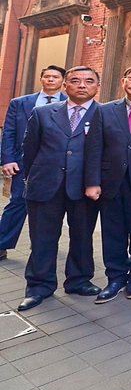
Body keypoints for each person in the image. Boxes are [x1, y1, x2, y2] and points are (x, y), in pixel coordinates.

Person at [18, 66, 101, 311]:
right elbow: (29, 149)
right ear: (65, 86)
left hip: (85, 187)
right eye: (74, 81)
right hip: (45, 185)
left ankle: (79, 280)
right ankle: (38, 286)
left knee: (82, 236)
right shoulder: (43, 112)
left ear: (97, 86)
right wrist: (33, 177)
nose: (82, 85)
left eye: (88, 81)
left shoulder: (105, 114)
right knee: (42, 239)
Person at [83, 65, 131, 302]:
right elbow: (94, 147)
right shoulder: (105, 110)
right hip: (111, 182)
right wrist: (92, 181)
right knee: (112, 232)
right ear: (123, 80)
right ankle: (115, 277)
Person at [0, 64, 66, 262]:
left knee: (53, 205)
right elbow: (9, 132)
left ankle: (42, 243)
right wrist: (7, 159)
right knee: (18, 201)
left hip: (56, 163)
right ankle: (2, 243)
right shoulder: (20, 103)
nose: (51, 80)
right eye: (47, 76)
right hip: (23, 162)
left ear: (62, 81)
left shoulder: (70, 103)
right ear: (41, 79)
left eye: (55, 77)